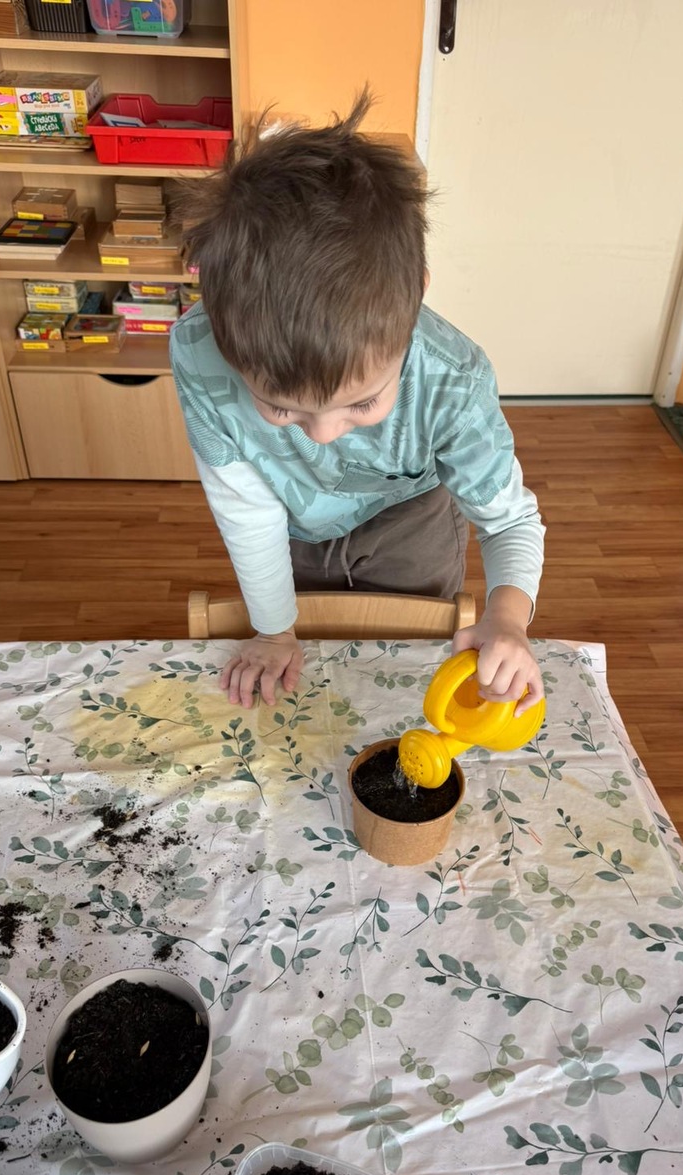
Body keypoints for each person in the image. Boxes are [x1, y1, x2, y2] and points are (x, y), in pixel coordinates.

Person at [170, 92, 545, 713]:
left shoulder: (454, 378)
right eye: (281, 408)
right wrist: (274, 631)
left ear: (415, 299)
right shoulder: (197, 353)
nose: (321, 435)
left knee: (407, 660)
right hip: (286, 524)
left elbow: (508, 520)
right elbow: (247, 512)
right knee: (310, 648)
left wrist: (507, 617)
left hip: (410, 520)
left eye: (364, 403)